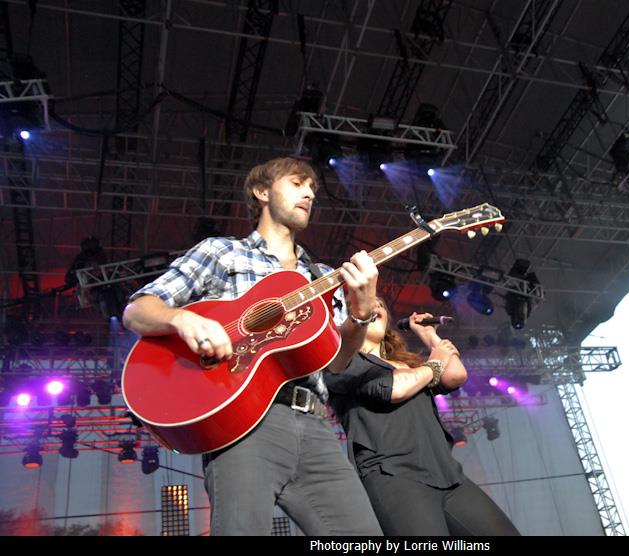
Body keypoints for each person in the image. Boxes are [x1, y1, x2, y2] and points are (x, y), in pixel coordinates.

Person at [122, 157, 383, 536]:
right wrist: (181, 319)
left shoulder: (323, 277)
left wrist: (360, 314)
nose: (310, 194)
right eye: (297, 183)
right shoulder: (221, 252)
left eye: (312, 188)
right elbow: (137, 310)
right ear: (262, 192)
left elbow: (337, 363)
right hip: (242, 424)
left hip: (316, 427)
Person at [325, 298, 521, 536]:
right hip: (394, 476)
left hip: (447, 473)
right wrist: (435, 362)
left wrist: (429, 335)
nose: (376, 307)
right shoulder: (341, 362)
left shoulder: (410, 365)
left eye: (381, 305)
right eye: (368, 303)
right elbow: (393, 388)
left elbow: (456, 375)